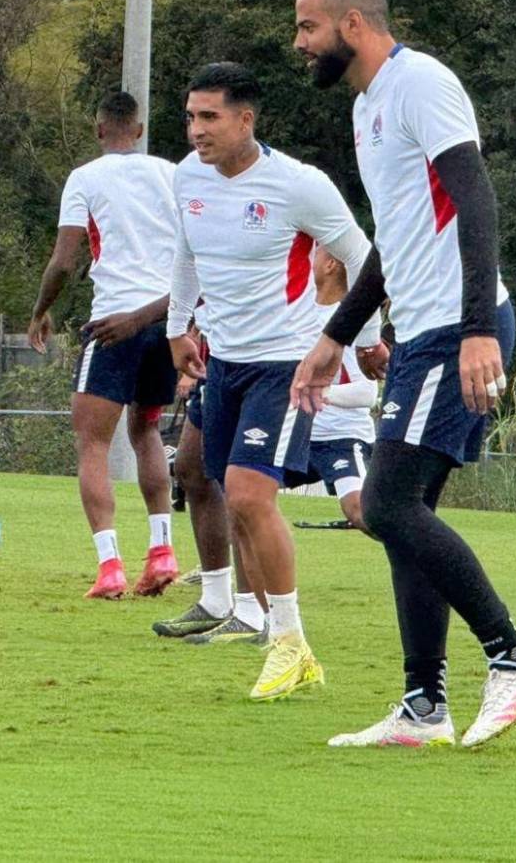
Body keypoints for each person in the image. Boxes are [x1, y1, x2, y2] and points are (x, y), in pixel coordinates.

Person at [291, 0, 516, 748]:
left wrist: (476, 328)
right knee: (402, 515)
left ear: (352, 24)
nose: (300, 44)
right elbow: (392, 245)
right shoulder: (369, 107)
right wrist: (337, 334)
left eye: (308, 27)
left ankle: (511, 657)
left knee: (388, 505)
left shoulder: (422, 84)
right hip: (421, 334)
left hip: (454, 330)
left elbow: (477, 202)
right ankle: (422, 707)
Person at [166, 62, 380, 702]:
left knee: (251, 495)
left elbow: (364, 256)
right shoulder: (186, 177)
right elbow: (186, 253)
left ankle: (291, 645)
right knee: (212, 481)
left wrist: (361, 341)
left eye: (210, 117)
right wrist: (179, 328)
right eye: (191, 117)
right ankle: (253, 617)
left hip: (285, 366)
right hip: (223, 362)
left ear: (246, 119)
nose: (197, 130)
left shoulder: (297, 185)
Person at [27, 91, 181, 599]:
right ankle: (162, 552)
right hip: (166, 318)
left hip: (114, 322)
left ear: (99, 131)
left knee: (92, 444)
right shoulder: (171, 173)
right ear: (138, 131)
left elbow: (64, 261)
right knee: (148, 430)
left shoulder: (86, 178)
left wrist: (40, 311)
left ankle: (110, 566)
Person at [151, 306, 269, 644]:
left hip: (260, 356)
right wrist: (183, 332)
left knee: (242, 483)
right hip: (219, 357)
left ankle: (253, 612)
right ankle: (216, 600)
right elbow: (191, 275)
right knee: (191, 465)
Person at [285, 246, 377, 531]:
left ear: (331, 265)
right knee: (239, 487)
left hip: (341, 438)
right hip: (294, 435)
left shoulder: (352, 319)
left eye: (315, 252)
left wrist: (321, 394)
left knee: (361, 513)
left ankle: (425, 563)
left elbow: (368, 393)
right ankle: (217, 569)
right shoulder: (295, 311)